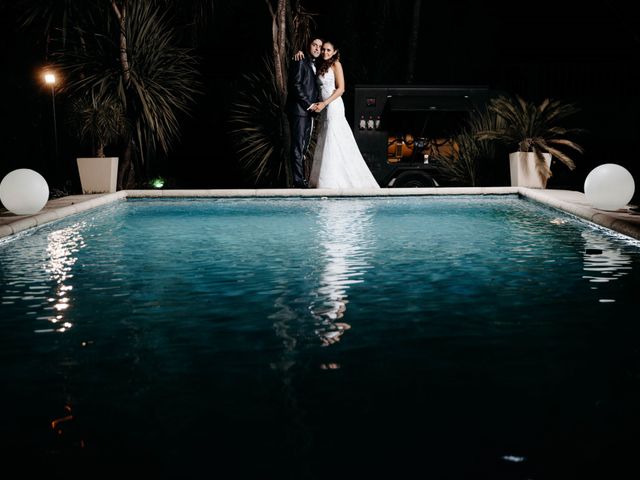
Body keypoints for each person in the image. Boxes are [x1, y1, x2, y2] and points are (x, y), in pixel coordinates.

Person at [308, 41, 380, 189]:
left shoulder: (336, 65)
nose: (325, 52)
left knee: (334, 138)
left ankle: (332, 182)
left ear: (334, 52)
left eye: (328, 50)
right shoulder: (321, 65)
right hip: (324, 107)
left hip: (333, 105)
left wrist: (324, 103)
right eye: (323, 50)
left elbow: (341, 89)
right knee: (327, 136)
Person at [287, 38, 323, 188]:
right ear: (308, 46)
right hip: (300, 111)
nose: (317, 48)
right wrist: (309, 105)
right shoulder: (301, 60)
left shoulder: (315, 65)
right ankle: (297, 181)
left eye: (320, 47)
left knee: (303, 146)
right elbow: (295, 86)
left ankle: (301, 179)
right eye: (315, 45)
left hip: (308, 113)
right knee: (297, 146)